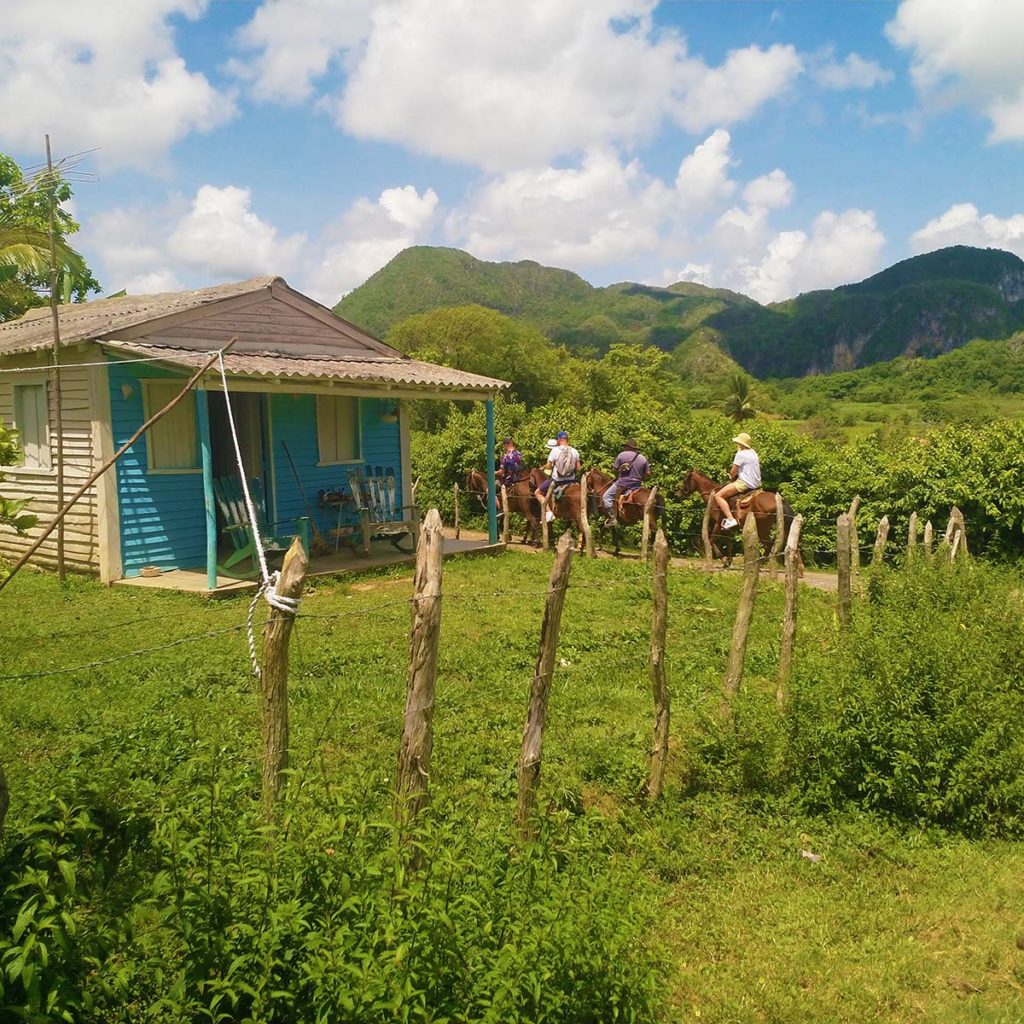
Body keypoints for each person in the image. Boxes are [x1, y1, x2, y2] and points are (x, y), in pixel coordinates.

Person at [717, 432, 761, 529]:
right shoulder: (753, 452)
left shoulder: (741, 454)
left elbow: (733, 472)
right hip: (756, 483)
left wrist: (730, 476)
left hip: (744, 483)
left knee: (719, 496)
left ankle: (730, 519)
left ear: (741, 443)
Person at [602, 439, 650, 525]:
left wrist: (618, 476)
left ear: (628, 447)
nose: (624, 448)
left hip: (622, 483)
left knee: (606, 497)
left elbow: (614, 469)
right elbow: (648, 473)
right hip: (637, 485)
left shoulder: (622, 455)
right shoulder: (643, 458)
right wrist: (641, 477)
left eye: (625, 446)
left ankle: (612, 518)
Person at [534, 430, 580, 522]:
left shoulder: (555, 450)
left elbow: (549, 466)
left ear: (559, 440)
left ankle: (549, 513)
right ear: (567, 439)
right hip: (571, 480)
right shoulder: (575, 451)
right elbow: (578, 468)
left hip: (557, 480)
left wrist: (543, 468)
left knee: (537, 493)